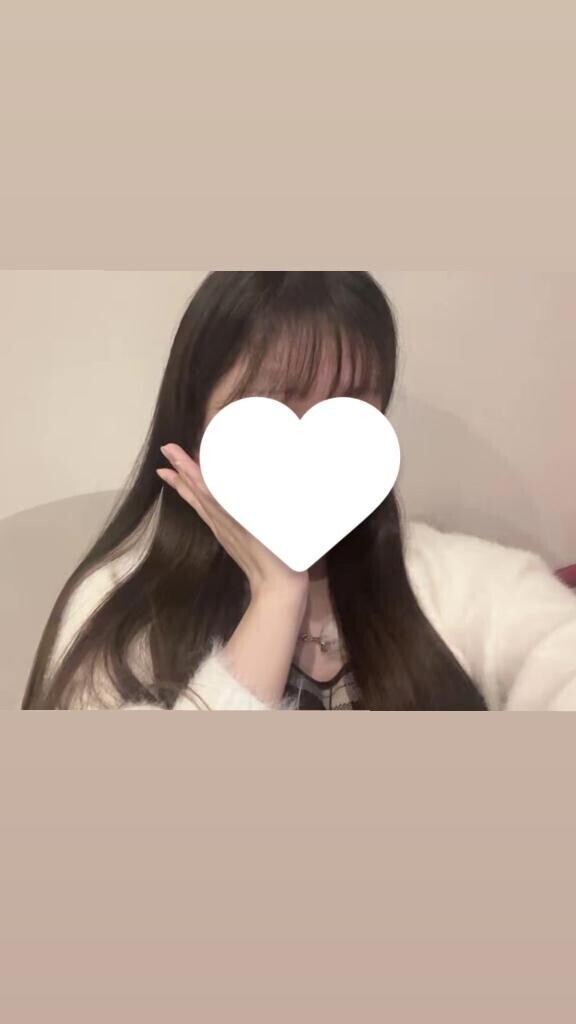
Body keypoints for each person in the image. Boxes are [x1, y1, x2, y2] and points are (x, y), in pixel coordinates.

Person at [22, 272, 576, 711]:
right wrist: (276, 597)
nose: (310, 453)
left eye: (349, 407)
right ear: (195, 423)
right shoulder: (117, 610)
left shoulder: (458, 583)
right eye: (272, 406)